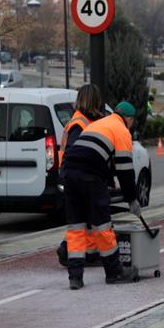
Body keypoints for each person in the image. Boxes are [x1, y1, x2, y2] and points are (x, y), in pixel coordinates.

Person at [62, 101, 141, 290]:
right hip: (89, 177)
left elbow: (93, 153)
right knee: (102, 225)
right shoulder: (122, 131)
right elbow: (125, 169)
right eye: (132, 121)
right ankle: (115, 272)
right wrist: (132, 199)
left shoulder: (99, 124)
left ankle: (75, 277)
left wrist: (106, 177)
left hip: (69, 174)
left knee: (76, 228)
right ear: (128, 119)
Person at [56, 84, 105, 268]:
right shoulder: (80, 124)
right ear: (93, 101)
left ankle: (73, 249)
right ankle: (74, 250)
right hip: (79, 175)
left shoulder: (80, 121)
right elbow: (77, 152)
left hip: (71, 175)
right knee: (88, 218)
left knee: (83, 218)